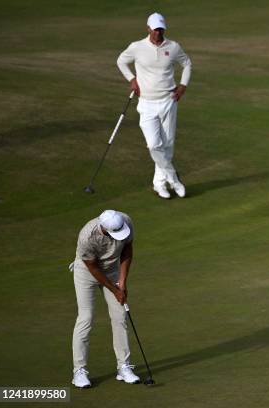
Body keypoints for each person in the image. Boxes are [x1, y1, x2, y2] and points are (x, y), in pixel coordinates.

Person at [117, 12, 192, 199]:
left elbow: (187, 64)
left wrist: (182, 86)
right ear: (148, 28)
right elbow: (121, 61)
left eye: (161, 29)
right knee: (153, 145)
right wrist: (132, 79)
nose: (158, 32)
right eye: (155, 29)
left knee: (168, 145)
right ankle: (174, 179)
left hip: (169, 101)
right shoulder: (137, 47)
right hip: (147, 103)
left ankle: (159, 184)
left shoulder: (173, 47)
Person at [70, 210, 140, 388]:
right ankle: (79, 371)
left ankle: (123, 367)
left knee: (120, 316)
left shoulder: (126, 221)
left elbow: (127, 251)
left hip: (112, 270)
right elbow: (93, 269)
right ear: (104, 229)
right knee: (86, 318)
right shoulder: (87, 236)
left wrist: (122, 283)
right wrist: (114, 290)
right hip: (86, 272)